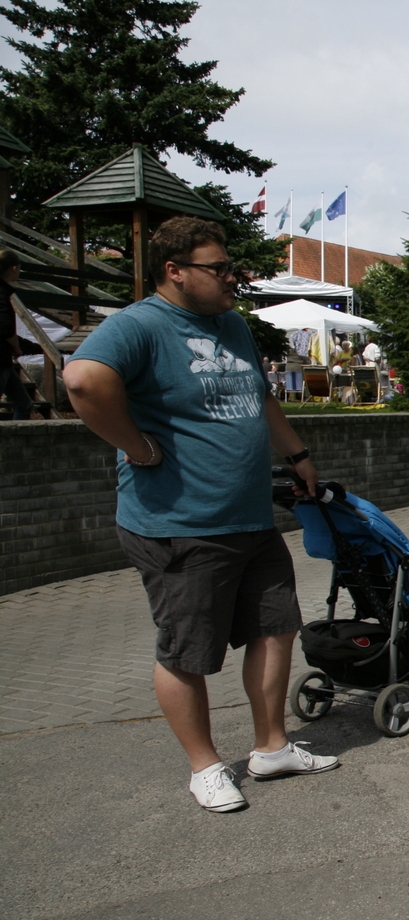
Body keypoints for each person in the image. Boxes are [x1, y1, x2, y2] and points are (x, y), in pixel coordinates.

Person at [62, 217, 339, 813]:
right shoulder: (140, 325)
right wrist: (137, 447)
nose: (231, 278)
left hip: (248, 517)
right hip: (179, 524)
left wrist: (298, 454)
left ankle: (270, 748)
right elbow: (82, 381)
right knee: (187, 649)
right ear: (175, 271)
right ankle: (205, 766)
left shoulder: (231, 323)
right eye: (218, 269)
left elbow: (258, 394)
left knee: (274, 627)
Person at [1, 249, 42, 420]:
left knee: (24, 404)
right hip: (0, 359)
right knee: (23, 403)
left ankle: (14, 445)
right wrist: (17, 347)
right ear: (13, 268)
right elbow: (5, 327)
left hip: (4, 360)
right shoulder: (1, 292)